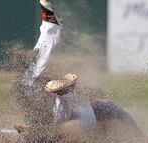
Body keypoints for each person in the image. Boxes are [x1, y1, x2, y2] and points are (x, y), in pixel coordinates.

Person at [19, 0, 96, 132]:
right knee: (29, 86)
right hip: (84, 120)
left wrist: (33, 129)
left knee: (29, 86)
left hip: (79, 120)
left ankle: (65, 94)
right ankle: (65, 94)